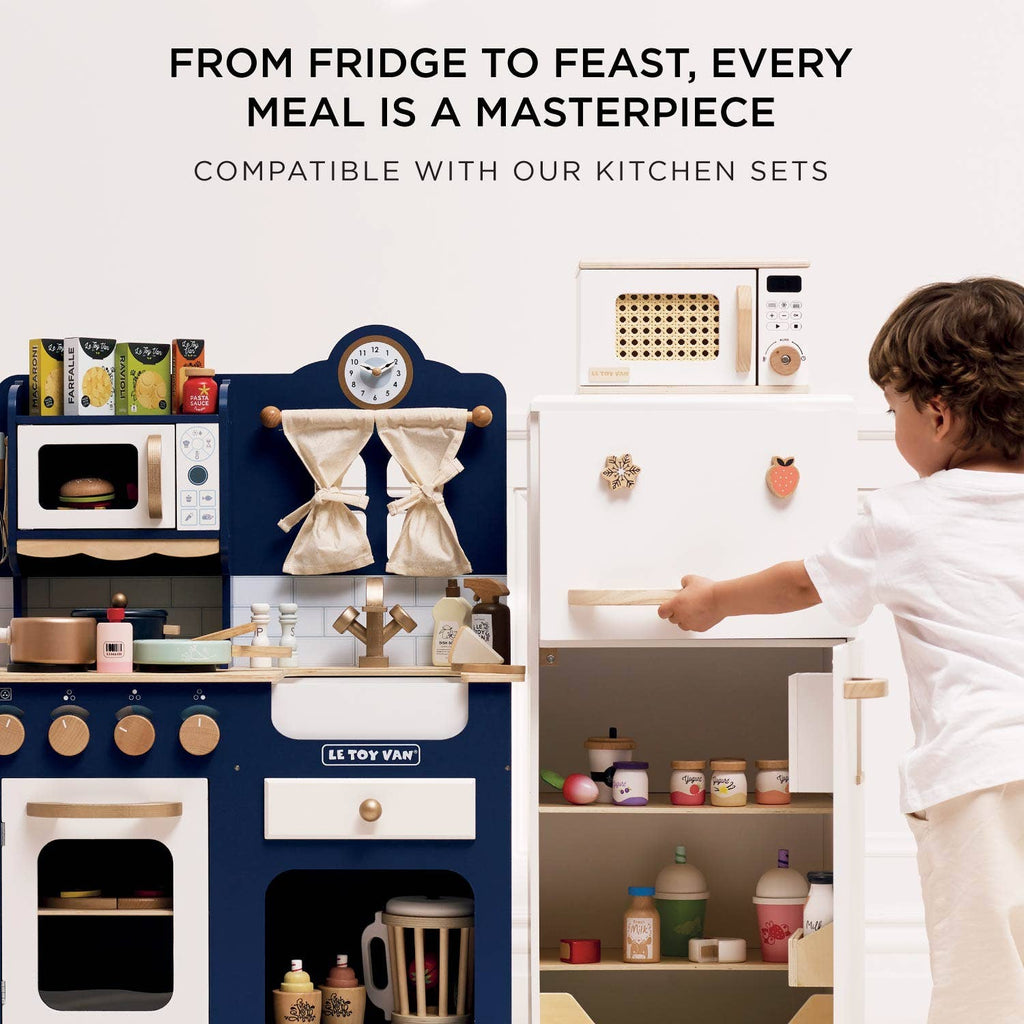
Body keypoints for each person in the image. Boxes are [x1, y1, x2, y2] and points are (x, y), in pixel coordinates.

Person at [658, 277, 1024, 1023]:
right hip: (988, 770)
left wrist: (712, 600)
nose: (893, 427)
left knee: (986, 978)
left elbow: (801, 585)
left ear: (939, 414)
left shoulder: (907, 518)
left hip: (981, 775)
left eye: (892, 411)